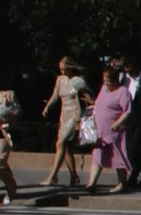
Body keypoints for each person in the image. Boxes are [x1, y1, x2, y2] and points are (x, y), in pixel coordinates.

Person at [41, 60, 90, 192]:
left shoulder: (78, 80)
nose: (63, 72)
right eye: (61, 69)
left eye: (65, 69)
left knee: (60, 143)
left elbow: (89, 97)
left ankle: (53, 176)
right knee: (66, 147)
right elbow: (55, 96)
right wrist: (48, 107)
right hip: (64, 113)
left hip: (75, 113)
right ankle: (74, 176)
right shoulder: (60, 80)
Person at [91, 60, 133, 190]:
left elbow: (127, 111)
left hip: (115, 131)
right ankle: (91, 183)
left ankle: (122, 182)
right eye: (104, 80)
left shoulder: (122, 92)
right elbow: (99, 104)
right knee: (97, 154)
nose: (106, 83)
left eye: (108, 80)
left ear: (115, 80)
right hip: (100, 130)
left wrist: (117, 123)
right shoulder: (103, 89)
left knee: (117, 155)